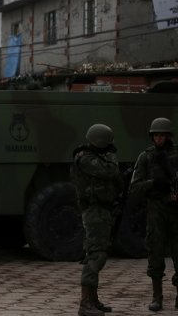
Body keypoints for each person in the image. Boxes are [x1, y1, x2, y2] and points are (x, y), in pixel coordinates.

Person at [129, 117, 178, 312]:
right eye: (156, 135)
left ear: (169, 136)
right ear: (152, 137)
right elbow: (134, 188)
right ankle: (157, 297)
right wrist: (154, 184)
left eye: (162, 135)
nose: (159, 139)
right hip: (156, 212)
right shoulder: (146, 157)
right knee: (155, 254)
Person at [70, 124, 124, 316]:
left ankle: (93, 300)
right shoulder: (85, 158)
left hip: (101, 211)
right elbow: (111, 172)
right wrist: (112, 154)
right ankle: (85, 304)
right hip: (94, 211)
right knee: (96, 255)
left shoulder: (94, 156)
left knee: (98, 252)